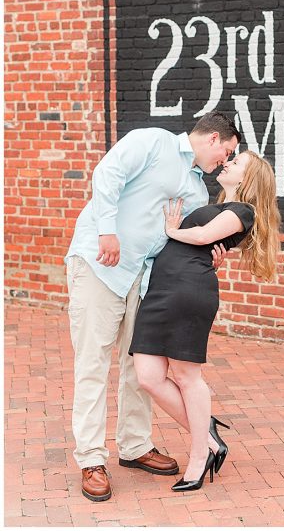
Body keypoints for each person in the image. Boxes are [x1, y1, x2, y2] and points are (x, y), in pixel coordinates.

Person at [65, 112, 240, 502]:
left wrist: (209, 254)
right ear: (214, 138)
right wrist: (107, 230)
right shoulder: (152, 141)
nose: (224, 163)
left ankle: (135, 446)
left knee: (138, 367)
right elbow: (107, 175)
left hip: (144, 281)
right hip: (100, 265)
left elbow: (181, 238)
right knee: (93, 364)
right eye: (226, 153)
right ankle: (91, 459)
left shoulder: (198, 190)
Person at [130, 149, 281, 492]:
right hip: (163, 290)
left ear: (249, 178)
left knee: (185, 376)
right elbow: (204, 241)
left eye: (237, 162)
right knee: (149, 376)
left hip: (189, 291)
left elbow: (199, 238)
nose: (228, 163)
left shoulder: (243, 210)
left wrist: (172, 229)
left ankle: (199, 458)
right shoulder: (219, 205)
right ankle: (208, 431)